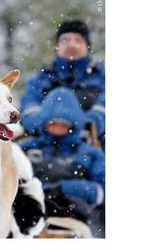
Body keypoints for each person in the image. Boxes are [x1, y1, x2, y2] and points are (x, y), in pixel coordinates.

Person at [18, 88, 105, 237]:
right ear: (44, 122)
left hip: (80, 216)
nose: (57, 128)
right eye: (53, 123)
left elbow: (104, 192)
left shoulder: (90, 153)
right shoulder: (25, 149)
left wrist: (64, 189)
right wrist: (39, 191)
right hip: (31, 213)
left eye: (63, 124)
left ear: (73, 125)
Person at [20, 20, 105, 138]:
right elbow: (29, 105)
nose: (72, 44)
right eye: (66, 40)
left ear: (87, 46)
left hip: (92, 144)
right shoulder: (41, 78)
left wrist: (87, 125)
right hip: (43, 144)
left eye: (78, 40)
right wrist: (42, 125)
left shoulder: (102, 76)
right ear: (57, 46)